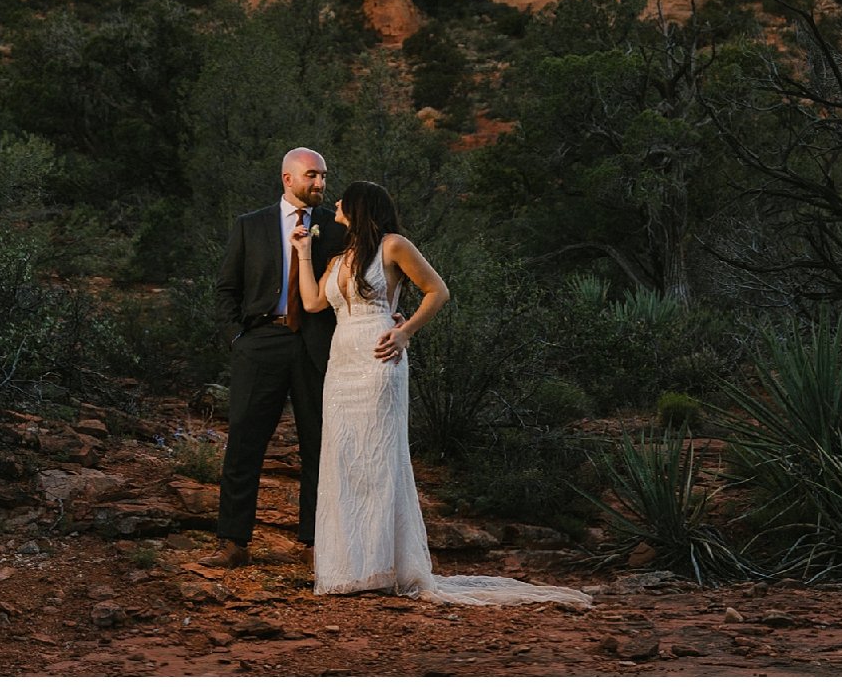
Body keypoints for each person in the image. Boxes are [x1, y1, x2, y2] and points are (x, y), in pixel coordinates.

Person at [290, 180, 592, 607]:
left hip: (380, 358)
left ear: (359, 207)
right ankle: (349, 567)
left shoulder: (393, 246)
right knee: (344, 457)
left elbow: (438, 291)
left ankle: (385, 565)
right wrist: (303, 254)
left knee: (378, 457)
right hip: (342, 365)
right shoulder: (339, 258)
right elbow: (314, 303)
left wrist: (405, 331)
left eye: (343, 199)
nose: (335, 202)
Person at [211, 147, 399, 567]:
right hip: (261, 342)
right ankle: (232, 542)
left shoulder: (338, 228)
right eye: (312, 176)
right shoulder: (250, 226)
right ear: (288, 178)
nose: (320, 184)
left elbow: (369, 274)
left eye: (324, 176)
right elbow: (226, 288)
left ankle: (317, 543)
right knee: (244, 441)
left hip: (321, 347)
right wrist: (236, 339)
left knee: (321, 445)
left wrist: (393, 309)